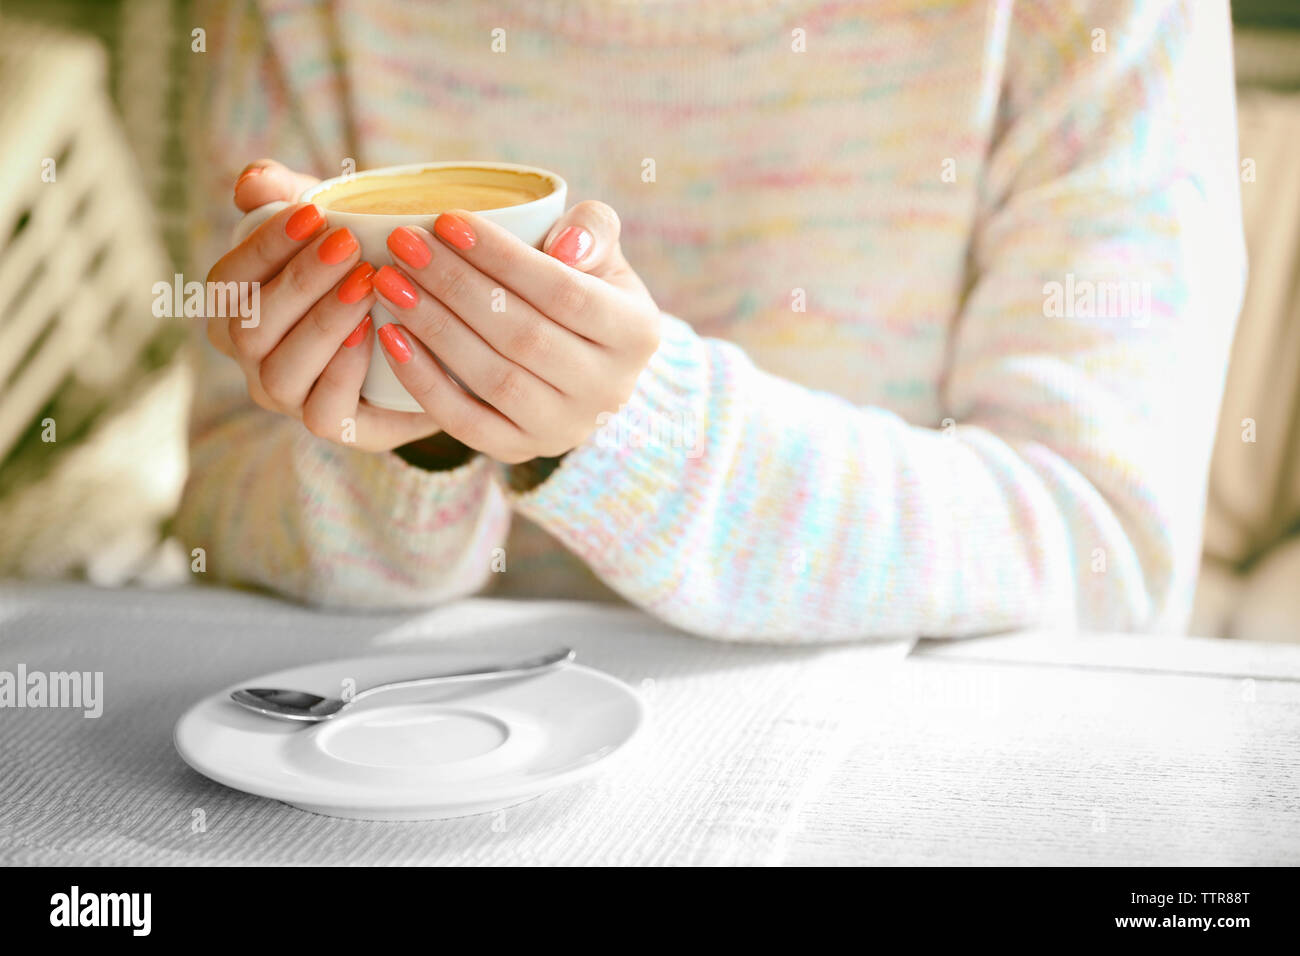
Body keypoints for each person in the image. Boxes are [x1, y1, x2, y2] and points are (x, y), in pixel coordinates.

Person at [178, 0, 1246, 641]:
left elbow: (1105, 552)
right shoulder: (298, 14)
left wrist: (635, 436)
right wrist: (413, 436)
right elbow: (221, 507)